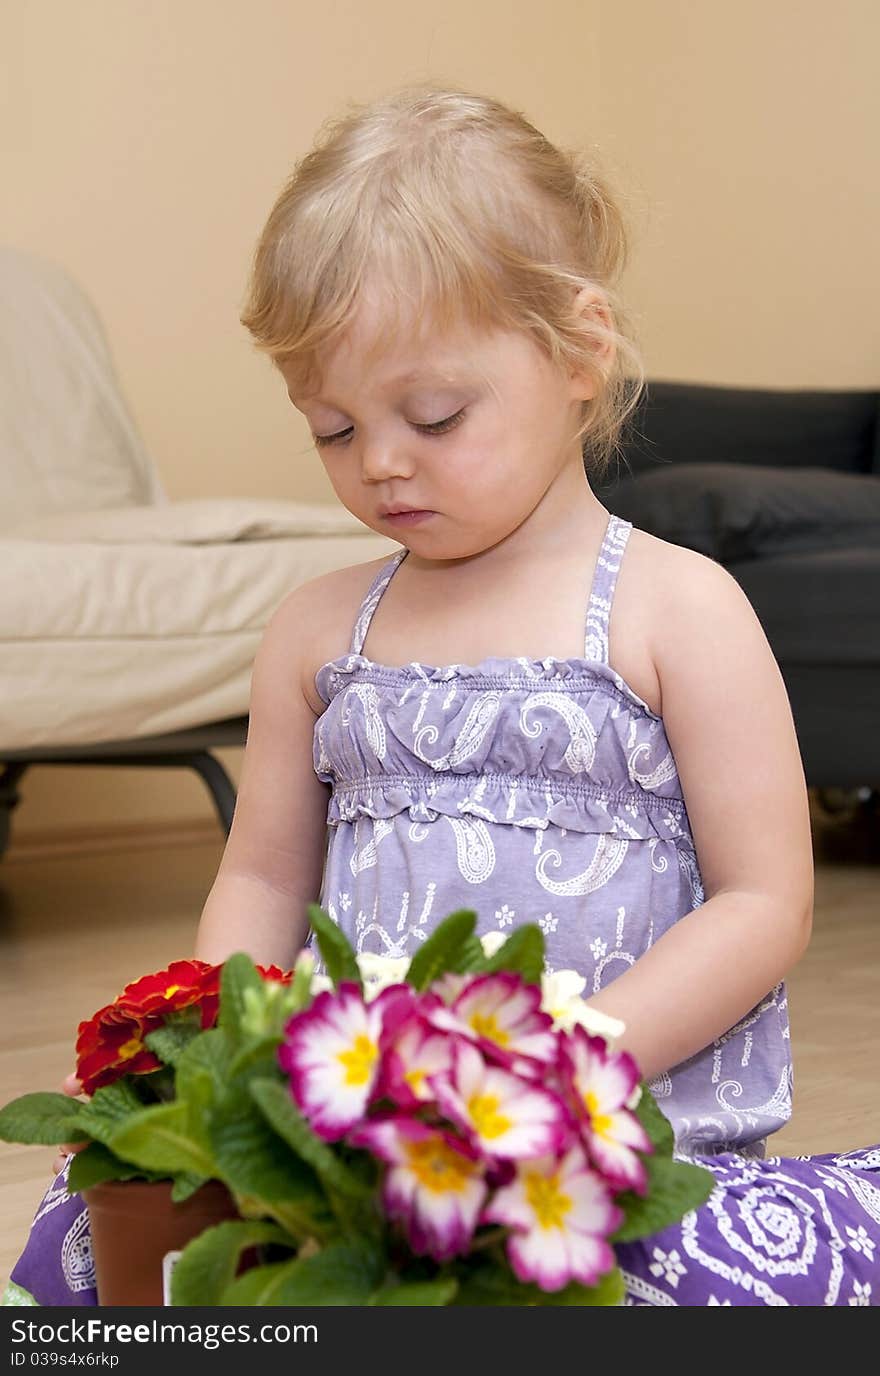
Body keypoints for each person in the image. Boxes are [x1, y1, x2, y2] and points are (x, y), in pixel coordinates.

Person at [5, 85, 879, 1308]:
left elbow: (764, 899)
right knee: (91, 1246)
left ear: (580, 349)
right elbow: (261, 876)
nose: (379, 461)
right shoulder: (319, 630)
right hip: (370, 1156)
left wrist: (568, 1071)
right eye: (330, 426)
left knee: (663, 1283)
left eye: (432, 414)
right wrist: (220, 1065)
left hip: (607, 1154)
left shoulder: (678, 610)